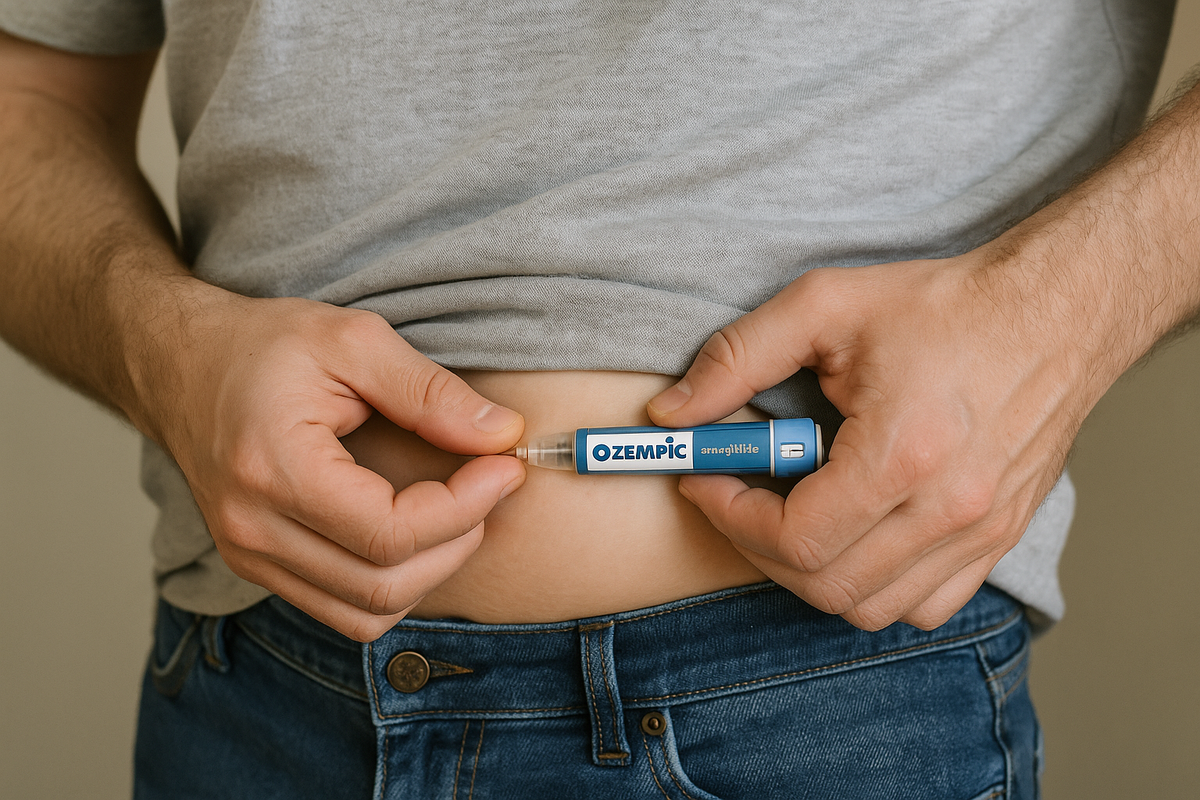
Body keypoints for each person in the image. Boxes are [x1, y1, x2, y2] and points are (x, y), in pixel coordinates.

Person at [0, 1, 1196, 797]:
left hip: (840, 694)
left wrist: (1072, 304)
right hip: (267, 702)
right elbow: (28, 103)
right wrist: (158, 347)